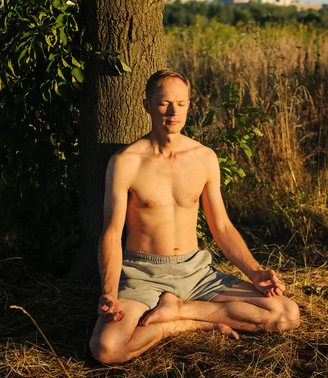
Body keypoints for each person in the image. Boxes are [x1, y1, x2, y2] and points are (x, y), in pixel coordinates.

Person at [89, 69, 300, 364]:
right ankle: (182, 324)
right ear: (147, 105)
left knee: (287, 314)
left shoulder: (203, 158)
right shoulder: (126, 162)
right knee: (106, 349)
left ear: (189, 104)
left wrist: (255, 272)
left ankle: (179, 309)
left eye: (181, 103)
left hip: (195, 273)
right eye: (164, 103)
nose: (174, 112)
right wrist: (110, 292)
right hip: (143, 275)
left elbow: (222, 227)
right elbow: (111, 233)